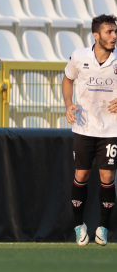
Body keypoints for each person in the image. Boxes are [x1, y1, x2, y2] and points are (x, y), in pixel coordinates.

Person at [62, 14, 117, 246]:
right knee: (82, 175)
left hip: (111, 129)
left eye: (115, 32)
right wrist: (68, 104)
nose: (114, 36)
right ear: (96, 35)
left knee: (107, 176)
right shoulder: (79, 56)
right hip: (84, 127)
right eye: (109, 32)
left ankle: (103, 227)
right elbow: (67, 79)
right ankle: (78, 225)